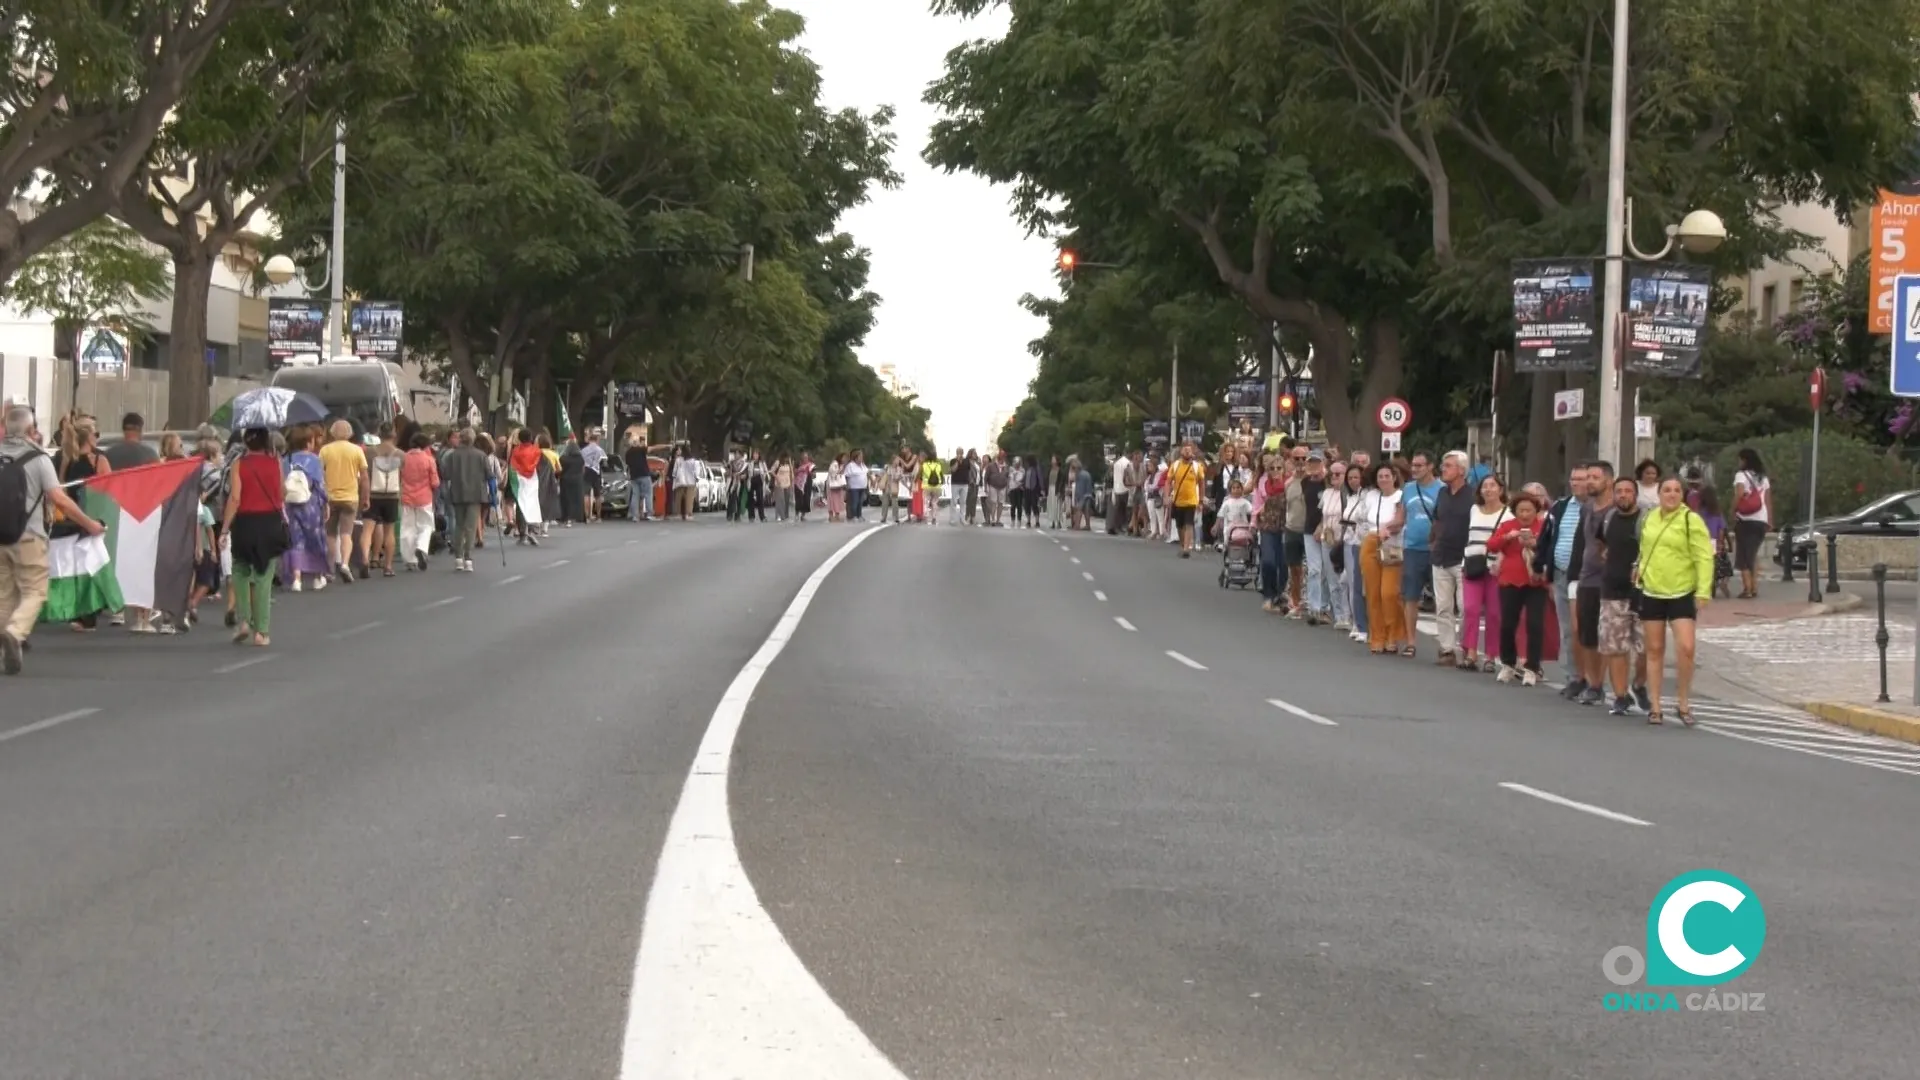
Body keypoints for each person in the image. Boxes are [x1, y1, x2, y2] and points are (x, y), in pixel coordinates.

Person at [1, 404, 104, 673]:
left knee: (4, 594)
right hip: (28, 535)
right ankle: (15, 632)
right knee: (35, 590)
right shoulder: (38, 459)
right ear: (32, 430)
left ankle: (5, 644)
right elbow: (59, 499)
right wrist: (90, 524)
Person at [1636, 476, 1715, 725]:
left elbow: (1704, 557)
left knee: (1686, 647)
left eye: (1676, 490)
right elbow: (1644, 549)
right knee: (1655, 649)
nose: (1671, 494)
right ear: (1658, 495)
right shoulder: (1649, 518)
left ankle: (1683, 701)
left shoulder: (1691, 520)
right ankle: (1656, 705)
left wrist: (1703, 591)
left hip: (1682, 590)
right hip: (1652, 590)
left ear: (1682, 494)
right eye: (1666, 490)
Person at [222, 428, 288, 648]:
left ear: (246, 443)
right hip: (269, 522)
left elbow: (235, 498)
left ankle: (243, 621)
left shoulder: (239, 464)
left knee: (240, 570)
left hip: (244, 523)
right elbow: (282, 493)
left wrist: (224, 529)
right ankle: (261, 632)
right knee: (263, 575)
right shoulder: (276, 462)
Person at [1596, 476, 1652, 716]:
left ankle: (1639, 684)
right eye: (1619, 491)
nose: (1623, 495)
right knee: (1615, 648)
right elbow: (1600, 544)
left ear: (1635, 495)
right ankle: (1620, 696)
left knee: (1648, 648)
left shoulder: (1647, 520)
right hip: (1612, 591)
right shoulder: (1608, 518)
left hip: (1644, 592)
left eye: (1628, 491)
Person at [52, 416, 114, 630]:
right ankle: (89, 612)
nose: (97, 438)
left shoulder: (69, 459)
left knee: (81, 566)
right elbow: (110, 489)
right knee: (89, 565)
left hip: (75, 517)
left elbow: (60, 488)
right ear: (89, 436)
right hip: (91, 517)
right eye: (96, 434)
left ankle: (85, 612)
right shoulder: (98, 460)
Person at [1488, 491, 1550, 685]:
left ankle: (1532, 667)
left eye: (1529, 510)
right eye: (1521, 510)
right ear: (1515, 511)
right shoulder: (1507, 526)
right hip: (1510, 580)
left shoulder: (1543, 526)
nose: (1525, 515)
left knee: (1535, 624)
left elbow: (1550, 548)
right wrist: (1508, 537)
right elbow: (1491, 545)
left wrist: (1535, 542)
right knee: (1507, 623)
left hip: (1536, 581)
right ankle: (1508, 663)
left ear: (1536, 511)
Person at [1540, 464, 1589, 694]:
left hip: (1585, 577)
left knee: (1585, 630)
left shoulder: (1595, 508)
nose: (1577, 483)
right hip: (1560, 573)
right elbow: (1547, 537)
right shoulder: (1560, 507)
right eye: (1574, 479)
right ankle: (1573, 677)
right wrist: (1543, 567)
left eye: (1582, 479)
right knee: (1567, 629)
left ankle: (1590, 677)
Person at [1456, 474, 1508, 673]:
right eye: (1484, 486)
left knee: (1494, 614)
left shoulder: (1508, 514)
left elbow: (1509, 544)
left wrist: (1500, 561)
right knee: (1470, 609)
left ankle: (1491, 655)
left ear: (1501, 490)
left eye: (1492, 486)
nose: (1488, 490)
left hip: (1496, 568)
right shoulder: (1474, 510)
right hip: (1472, 564)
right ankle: (1470, 653)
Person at [1572, 462, 1614, 706]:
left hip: (1611, 579)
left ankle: (1607, 683)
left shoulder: (1617, 510)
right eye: (1587, 477)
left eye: (1595, 477)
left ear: (1608, 480)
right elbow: (1583, 541)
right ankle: (1593, 683)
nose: (1589, 482)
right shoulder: (1587, 508)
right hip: (1587, 577)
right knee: (1586, 633)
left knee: (1609, 635)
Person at [1426, 451, 1472, 666]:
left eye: (1448, 466)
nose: (1443, 469)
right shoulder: (1443, 493)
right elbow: (1437, 518)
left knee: (1465, 607)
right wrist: (1433, 541)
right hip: (1441, 555)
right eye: (1443, 465)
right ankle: (1447, 649)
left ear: (1461, 470)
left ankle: (1466, 648)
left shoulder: (1473, 495)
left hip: (1463, 557)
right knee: (1443, 606)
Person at [1359, 462, 1409, 655]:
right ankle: (1377, 636)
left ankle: (1393, 635)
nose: (1383, 479)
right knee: (1372, 593)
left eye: (1387, 476)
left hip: (1392, 543)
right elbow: (1362, 519)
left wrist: (1387, 528)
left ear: (1394, 477)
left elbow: (1401, 519)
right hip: (1371, 541)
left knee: (1389, 593)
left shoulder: (1401, 496)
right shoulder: (1371, 496)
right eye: (1380, 476)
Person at [1396, 451, 1442, 649]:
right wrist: (1386, 528)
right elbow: (1401, 517)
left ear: (1430, 467)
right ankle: (1411, 642)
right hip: (1412, 549)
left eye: (1419, 466)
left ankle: (1445, 644)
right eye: (1413, 465)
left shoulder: (1442, 489)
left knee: (1442, 599)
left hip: (1436, 550)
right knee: (1410, 597)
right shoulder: (1408, 489)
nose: (1414, 469)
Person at [318, 419, 367, 584]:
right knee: (347, 533)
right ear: (350, 433)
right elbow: (365, 477)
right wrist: (365, 497)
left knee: (330, 534)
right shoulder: (357, 451)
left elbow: (319, 474)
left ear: (332, 433)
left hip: (330, 498)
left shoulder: (325, 450)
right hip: (350, 498)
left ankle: (330, 569)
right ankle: (345, 563)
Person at [442, 428, 489, 572]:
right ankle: (468, 558)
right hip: (475, 494)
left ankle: (458, 558)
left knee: (459, 525)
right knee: (470, 526)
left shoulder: (452, 455)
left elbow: (446, 474)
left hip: (457, 492)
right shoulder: (481, 455)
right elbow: (489, 474)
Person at [1729, 448, 1771, 600]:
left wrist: (1732, 510)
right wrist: (1769, 520)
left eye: (1740, 459)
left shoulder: (1741, 475)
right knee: (1752, 555)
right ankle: (1754, 587)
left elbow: (1739, 494)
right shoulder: (1763, 477)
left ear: (1744, 460)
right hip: (1761, 520)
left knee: (1744, 556)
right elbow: (1767, 500)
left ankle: (1747, 588)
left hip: (1746, 520)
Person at [1317, 460, 1353, 630]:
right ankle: (1339, 615)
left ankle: (1348, 614)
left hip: (1343, 539)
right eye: (1332, 473)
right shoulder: (1326, 493)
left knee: (1345, 579)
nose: (1335, 477)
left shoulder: (1348, 495)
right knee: (1332, 578)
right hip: (1327, 538)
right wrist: (1319, 529)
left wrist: (1343, 537)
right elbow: (1322, 515)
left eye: (1339, 474)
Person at [365, 422, 404, 576]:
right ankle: (388, 566)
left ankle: (365, 560)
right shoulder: (400, 454)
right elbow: (404, 475)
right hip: (392, 495)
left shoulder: (370, 452)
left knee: (367, 531)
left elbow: (365, 474)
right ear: (394, 434)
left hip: (373, 494)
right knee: (389, 532)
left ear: (379, 435)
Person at [397, 432, 440, 571]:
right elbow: (435, 482)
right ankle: (421, 547)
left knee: (407, 527)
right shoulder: (429, 460)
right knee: (426, 526)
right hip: (424, 498)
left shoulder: (404, 458)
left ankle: (409, 559)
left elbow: (399, 476)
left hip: (407, 497)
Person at [1340, 458, 1370, 642]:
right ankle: (1357, 622)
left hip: (1363, 541)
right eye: (1350, 478)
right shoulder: (1349, 496)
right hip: (1349, 541)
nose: (1353, 481)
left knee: (1360, 584)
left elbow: (1364, 517)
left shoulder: (1367, 495)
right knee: (1351, 583)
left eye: (1356, 477)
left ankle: (1363, 623)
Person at [1253, 455, 1288, 612]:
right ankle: (1268, 594)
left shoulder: (1289, 484)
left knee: (1283, 563)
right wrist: (1254, 522)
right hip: (1267, 525)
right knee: (1268, 561)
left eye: (1278, 468)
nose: (1275, 471)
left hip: (1285, 526)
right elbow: (1257, 504)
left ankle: (1279, 596)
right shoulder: (1263, 484)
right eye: (1272, 468)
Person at [1168, 441, 1205, 557]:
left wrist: (1201, 500)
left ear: (1193, 452)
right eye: (1185, 450)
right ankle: (1183, 544)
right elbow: (1168, 482)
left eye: (1189, 450)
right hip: (1178, 501)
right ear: (1181, 451)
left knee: (1189, 524)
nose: (1187, 452)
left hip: (1191, 501)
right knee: (1180, 526)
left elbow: (1202, 483)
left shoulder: (1197, 466)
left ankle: (1186, 549)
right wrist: (1166, 496)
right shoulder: (1175, 465)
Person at [624, 432, 654, 522]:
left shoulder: (628, 453)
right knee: (648, 494)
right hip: (644, 474)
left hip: (634, 476)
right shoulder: (641, 450)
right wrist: (666, 446)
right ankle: (649, 514)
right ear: (636, 442)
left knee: (635, 495)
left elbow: (628, 464)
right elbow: (652, 449)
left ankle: (635, 516)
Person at [558, 434, 586, 526]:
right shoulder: (581, 459)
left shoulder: (564, 458)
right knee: (576, 499)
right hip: (578, 480)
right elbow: (583, 469)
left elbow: (559, 469)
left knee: (566, 499)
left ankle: (566, 517)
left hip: (565, 480)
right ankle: (577, 516)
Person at [581, 429, 606, 522]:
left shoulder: (583, 450)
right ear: (597, 440)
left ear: (589, 440)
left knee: (586, 495)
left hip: (586, 471)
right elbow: (604, 462)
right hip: (596, 472)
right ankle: (599, 517)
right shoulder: (600, 450)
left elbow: (581, 462)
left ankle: (587, 517)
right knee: (598, 495)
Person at [1106, 451, 1132, 535]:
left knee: (1116, 510)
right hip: (1125, 488)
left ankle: (1113, 526)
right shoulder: (1128, 463)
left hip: (1116, 488)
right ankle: (1123, 527)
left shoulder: (1116, 464)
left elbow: (1113, 477)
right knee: (1125, 510)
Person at [672, 445, 701, 520]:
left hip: (680, 481)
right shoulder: (693, 461)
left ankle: (678, 514)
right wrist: (697, 478)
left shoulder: (678, 460)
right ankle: (688, 514)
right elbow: (697, 471)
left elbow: (674, 472)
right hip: (691, 481)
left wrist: (674, 477)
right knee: (689, 499)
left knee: (678, 498)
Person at [948, 451, 970, 526]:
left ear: (963, 453)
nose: (960, 454)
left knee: (963, 502)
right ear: (956, 453)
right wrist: (957, 461)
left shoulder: (967, 461)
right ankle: (952, 519)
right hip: (955, 483)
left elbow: (968, 471)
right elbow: (953, 470)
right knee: (954, 501)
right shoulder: (953, 460)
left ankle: (962, 519)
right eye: (958, 452)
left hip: (965, 484)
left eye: (961, 452)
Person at [826, 453, 847, 521]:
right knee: (832, 500)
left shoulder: (842, 465)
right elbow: (832, 474)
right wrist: (840, 470)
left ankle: (837, 515)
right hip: (833, 485)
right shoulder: (834, 464)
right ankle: (831, 515)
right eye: (843, 458)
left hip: (839, 485)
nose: (844, 459)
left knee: (838, 500)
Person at [773, 453, 794, 522]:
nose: (787, 459)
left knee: (786, 500)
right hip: (779, 483)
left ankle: (785, 515)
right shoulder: (778, 462)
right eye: (786, 458)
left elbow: (791, 473)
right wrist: (777, 478)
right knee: (780, 500)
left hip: (787, 483)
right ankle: (779, 515)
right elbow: (772, 471)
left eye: (788, 458)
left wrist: (790, 463)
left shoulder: (788, 464)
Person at [795, 452, 816, 522]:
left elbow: (814, 475)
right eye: (804, 457)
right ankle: (797, 514)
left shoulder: (811, 465)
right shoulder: (798, 464)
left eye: (806, 457)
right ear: (801, 458)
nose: (805, 459)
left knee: (806, 499)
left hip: (808, 482)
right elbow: (794, 472)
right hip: (799, 483)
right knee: (799, 499)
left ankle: (803, 515)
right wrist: (800, 470)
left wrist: (810, 473)